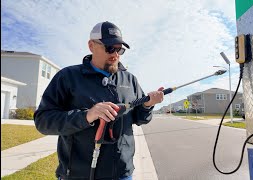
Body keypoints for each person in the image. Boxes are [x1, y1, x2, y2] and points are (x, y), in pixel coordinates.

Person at [34, 21, 164, 180]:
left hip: (122, 174)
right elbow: (43, 121)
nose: (115, 54)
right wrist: (87, 116)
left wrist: (147, 105)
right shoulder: (68, 77)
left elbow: (140, 118)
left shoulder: (130, 80)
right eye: (110, 48)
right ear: (91, 45)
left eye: (119, 49)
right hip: (78, 175)